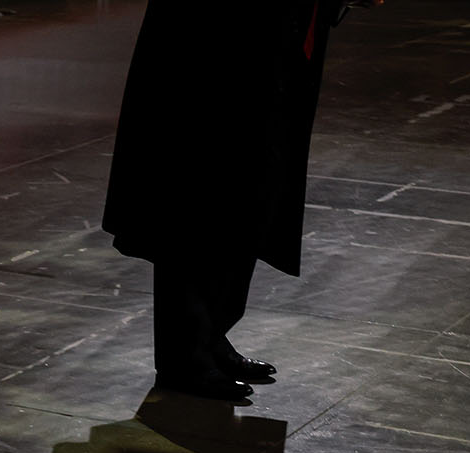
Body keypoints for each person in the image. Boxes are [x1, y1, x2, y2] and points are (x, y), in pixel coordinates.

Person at [102, 0, 383, 404]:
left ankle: (211, 336)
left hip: (267, 31)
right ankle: (185, 357)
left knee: (252, 186)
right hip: (214, 40)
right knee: (199, 194)